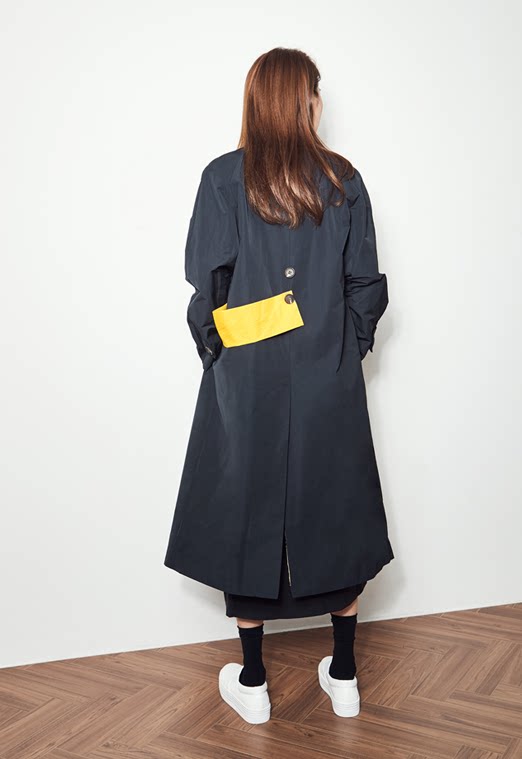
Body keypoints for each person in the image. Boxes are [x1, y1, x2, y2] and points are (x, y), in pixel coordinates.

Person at [164, 47, 394, 724]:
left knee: (247, 508)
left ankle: (255, 681)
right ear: (308, 102)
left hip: (249, 378)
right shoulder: (343, 180)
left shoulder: (221, 178)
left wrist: (223, 359)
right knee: (337, 504)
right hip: (327, 377)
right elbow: (367, 287)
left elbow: (206, 290)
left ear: (255, 100)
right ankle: (344, 675)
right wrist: (340, 354)